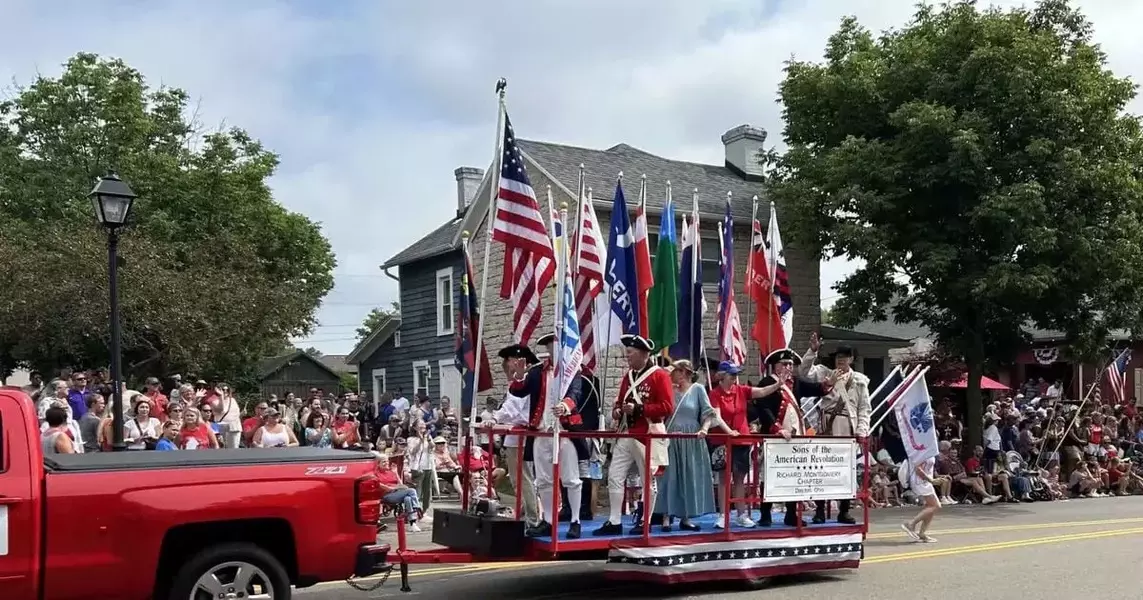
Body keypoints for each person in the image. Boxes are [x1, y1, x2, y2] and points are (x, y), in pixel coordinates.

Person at [504, 336, 585, 539]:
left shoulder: (572, 369)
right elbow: (519, 392)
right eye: (550, 348)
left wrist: (565, 405)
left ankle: (575, 520)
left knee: (570, 479)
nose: (552, 351)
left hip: (564, 431)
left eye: (555, 347)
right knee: (543, 480)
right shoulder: (537, 371)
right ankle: (548, 520)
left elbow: (576, 393)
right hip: (541, 432)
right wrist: (520, 376)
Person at [593, 334, 674, 537]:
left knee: (648, 480)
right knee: (614, 475)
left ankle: (645, 521)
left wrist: (638, 409)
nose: (627, 355)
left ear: (644, 354)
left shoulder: (659, 376)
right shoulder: (628, 376)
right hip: (627, 433)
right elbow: (620, 402)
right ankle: (614, 520)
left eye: (630, 352)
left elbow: (666, 407)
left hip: (646, 435)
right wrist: (618, 411)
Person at [799, 336, 870, 525]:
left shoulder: (860, 381)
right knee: (822, 470)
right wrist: (812, 351)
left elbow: (864, 408)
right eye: (839, 356)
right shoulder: (824, 373)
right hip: (827, 427)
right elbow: (804, 372)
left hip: (847, 427)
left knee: (845, 471)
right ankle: (820, 510)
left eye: (845, 356)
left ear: (851, 359)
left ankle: (844, 510)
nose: (841, 359)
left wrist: (862, 431)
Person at [707, 361, 784, 528]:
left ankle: (741, 514)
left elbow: (761, 391)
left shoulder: (741, 390)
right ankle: (723, 514)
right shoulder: (714, 393)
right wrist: (729, 432)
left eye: (736, 374)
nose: (735, 378)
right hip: (722, 439)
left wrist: (777, 384)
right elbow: (716, 416)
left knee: (740, 476)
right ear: (722, 376)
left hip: (741, 439)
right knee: (723, 478)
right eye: (732, 374)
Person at [752, 348, 819, 528]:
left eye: (790, 364)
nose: (789, 367)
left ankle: (791, 514)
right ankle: (765, 514)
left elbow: (816, 389)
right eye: (785, 364)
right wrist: (777, 427)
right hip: (775, 437)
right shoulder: (767, 382)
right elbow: (763, 408)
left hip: (794, 439)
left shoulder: (795, 383)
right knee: (770, 476)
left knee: (794, 476)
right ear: (776, 366)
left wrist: (827, 384)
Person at [655, 360, 724, 531]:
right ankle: (665, 516)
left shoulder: (698, 389)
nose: (673, 374)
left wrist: (704, 429)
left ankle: (686, 517)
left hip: (691, 439)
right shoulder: (669, 389)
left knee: (689, 476)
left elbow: (708, 413)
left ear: (684, 373)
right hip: (671, 439)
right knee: (668, 477)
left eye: (676, 371)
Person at [483, 345, 541, 528]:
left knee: (523, 479)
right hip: (517, 436)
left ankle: (532, 519)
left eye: (508, 363)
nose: (507, 369)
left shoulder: (525, 378)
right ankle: (528, 514)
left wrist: (495, 417)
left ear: (516, 361)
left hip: (521, 434)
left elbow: (512, 408)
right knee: (520, 480)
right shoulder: (522, 379)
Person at [901, 453, 940, 543]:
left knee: (931, 507)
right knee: (935, 506)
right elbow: (918, 470)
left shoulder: (931, 450)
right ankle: (911, 524)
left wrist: (935, 478)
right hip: (921, 482)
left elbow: (928, 469)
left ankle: (922, 533)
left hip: (926, 482)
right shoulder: (923, 451)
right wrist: (931, 480)